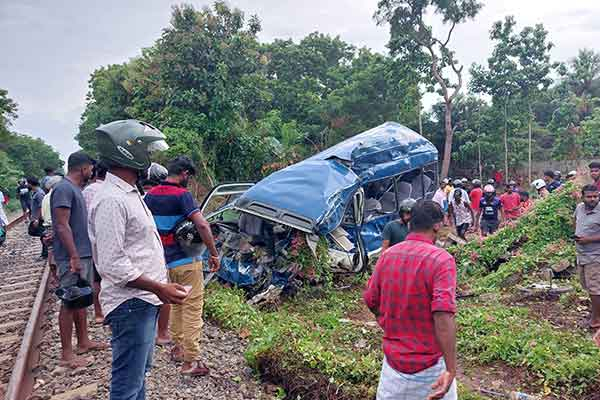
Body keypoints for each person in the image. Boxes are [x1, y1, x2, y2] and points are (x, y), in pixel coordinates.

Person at [89, 119, 187, 400]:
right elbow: (112, 263)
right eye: (148, 151)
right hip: (132, 303)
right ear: (129, 153)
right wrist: (159, 287)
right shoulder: (112, 200)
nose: (151, 158)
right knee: (127, 383)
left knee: (138, 376)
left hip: (143, 300)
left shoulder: (130, 193)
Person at [364, 201, 457, 400]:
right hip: (432, 370)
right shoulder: (442, 260)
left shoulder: (387, 256)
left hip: (392, 370)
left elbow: (371, 299)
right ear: (437, 225)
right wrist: (451, 369)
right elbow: (442, 316)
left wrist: (390, 324)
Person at [144, 156, 220, 376]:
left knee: (176, 304)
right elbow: (203, 225)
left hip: (162, 263)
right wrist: (213, 253)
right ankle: (191, 361)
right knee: (193, 309)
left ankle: (178, 348)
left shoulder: (151, 195)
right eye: (190, 176)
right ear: (185, 174)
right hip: (186, 261)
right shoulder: (183, 195)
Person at [51, 151, 106, 368]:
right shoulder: (64, 189)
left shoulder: (75, 189)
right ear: (83, 168)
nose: (92, 172)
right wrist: (73, 255)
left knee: (81, 298)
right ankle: (66, 354)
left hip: (82, 253)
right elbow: (61, 225)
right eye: (90, 169)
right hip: (72, 256)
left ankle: (83, 341)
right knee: (69, 302)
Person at [141, 162, 170, 345]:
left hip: (141, 252)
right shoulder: (164, 196)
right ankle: (162, 334)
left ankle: (146, 330)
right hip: (162, 250)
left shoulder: (137, 197)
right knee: (164, 290)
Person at [83, 160, 110, 324]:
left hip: (92, 240)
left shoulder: (87, 191)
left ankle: (99, 313)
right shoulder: (108, 191)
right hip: (107, 240)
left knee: (96, 280)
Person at [574, 184, 600, 330]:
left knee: (595, 288)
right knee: (587, 286)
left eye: (595, 196)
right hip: (581, 254)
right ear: (582, 197)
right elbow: (575, 222)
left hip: (596, 255)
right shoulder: (579, 208)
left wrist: (589, 239)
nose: (593, 199)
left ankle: (596, 319)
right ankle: (595, 314)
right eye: (589, 197)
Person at [42, 176, 63, 282]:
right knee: (58, 251)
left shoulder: (45, 197)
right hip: (54, 225)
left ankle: (54, 277)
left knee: (51, 251)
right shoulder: (56, 195)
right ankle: (58, 276)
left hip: (47, 226)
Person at [29, 177, 48, 259]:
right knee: (42, 235)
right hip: (37, 218)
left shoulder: (39, 193)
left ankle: (45, 254)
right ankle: (45, 253)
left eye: (27, 183)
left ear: (30, 183)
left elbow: (41, 206)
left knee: (43, 235)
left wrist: (37, 219)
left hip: (39, 219)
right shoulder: (36, 192)